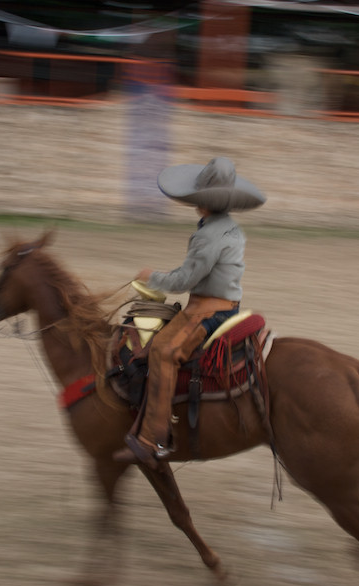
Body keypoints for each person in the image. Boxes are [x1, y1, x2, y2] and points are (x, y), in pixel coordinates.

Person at [114, 156, 266, 470]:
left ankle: (154, 439)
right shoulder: (231, 229)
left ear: (203, 202)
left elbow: (186, 280)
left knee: (163, 351)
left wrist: (151, 276)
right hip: (227, 305)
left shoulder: (207, 235)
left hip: (208, 311)